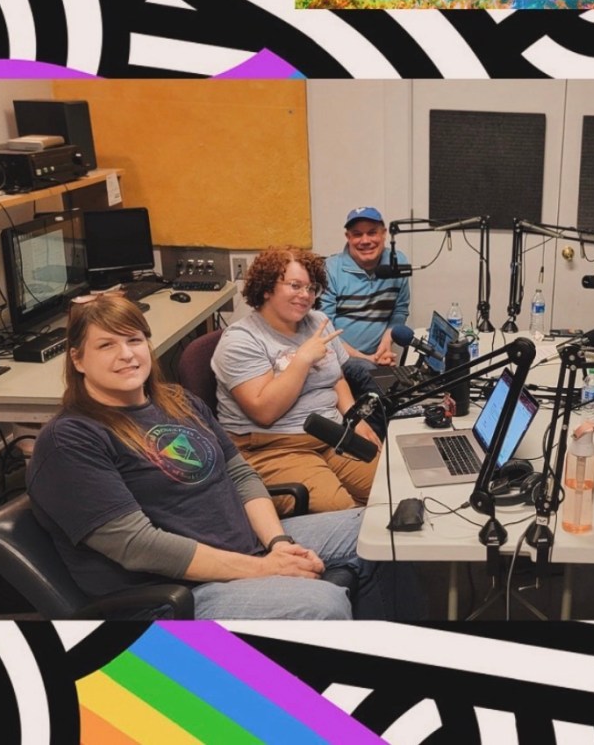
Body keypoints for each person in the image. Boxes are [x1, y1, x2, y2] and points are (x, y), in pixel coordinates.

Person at [25, 293, 406, 620]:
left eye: (134, 340)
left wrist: (277, 542)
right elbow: (137, 545)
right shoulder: (70, 439)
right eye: (106, 345)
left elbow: (239, 474)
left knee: (385, 531)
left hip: (246, 547)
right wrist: (263, 569)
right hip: (175, 594)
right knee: (320, 606)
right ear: (77, 360)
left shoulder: (177, 401)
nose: (126, 355)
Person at [212, 247, 380, 514]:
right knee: (346, 516)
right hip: (273, 448)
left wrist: (353, 417)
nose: (305, 296)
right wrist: (301, 360)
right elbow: (264, 412)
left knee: (392, 492)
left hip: (331, 436)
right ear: (267, 288)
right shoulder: (241, 340)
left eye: (311, 288)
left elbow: (337, 377)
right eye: (295, 286)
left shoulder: (318, 322)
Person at [319, 206, 410, 369]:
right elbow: (325, 330)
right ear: (348, 237)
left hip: (376, 358)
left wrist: (386, 343)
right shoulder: (330, 269)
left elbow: (400, 310)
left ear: (384, 233)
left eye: (372, 232)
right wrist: (365, 359)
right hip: (336, 358)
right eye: (357, 234)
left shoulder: (398, 262)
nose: (365, 240)